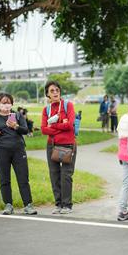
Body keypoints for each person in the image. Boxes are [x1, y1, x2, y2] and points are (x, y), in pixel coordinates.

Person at [0, 93, 37, 215]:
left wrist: (16, 126)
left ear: (12, 104)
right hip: (1, 151)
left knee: (23, 178)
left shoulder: (17, 115)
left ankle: (28, 205)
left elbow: (26, 130)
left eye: (8, 102)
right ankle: (8, 205)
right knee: (4, 179)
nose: (6, 105)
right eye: (3, 103)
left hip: (18, 151)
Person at [41, 80, 77, 214]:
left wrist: (54, 126)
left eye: (57, 90)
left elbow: (69, 125)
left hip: (68, 144)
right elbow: (44, 129)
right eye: (52, 91)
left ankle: (67, 205)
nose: (55, 92)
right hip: (52, 145)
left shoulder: (68, 105)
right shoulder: (47, 109)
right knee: (54, 174)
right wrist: (61, 126)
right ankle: (58, 204)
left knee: (66, 175)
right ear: (47, 94)